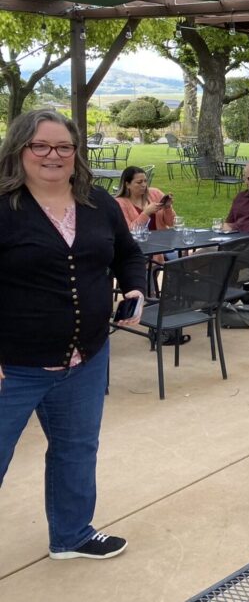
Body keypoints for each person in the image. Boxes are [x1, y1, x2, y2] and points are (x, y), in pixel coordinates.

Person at [0, 109, 147, 560]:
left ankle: (71, 535)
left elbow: (127, 254)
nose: (53, 155)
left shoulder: (97, 203)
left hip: (85, 359)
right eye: (40, 146)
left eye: (64, 146)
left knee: (76, 451)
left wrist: (136, 287)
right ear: (19, 150)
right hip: (14, 368)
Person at [114, 166, 176, 232]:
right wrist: (146, 213)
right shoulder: (120, 203)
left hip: (161, 239)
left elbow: (171, 223)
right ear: (127, 184)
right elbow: (128, 231)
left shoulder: (155, 193)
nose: (144, 185)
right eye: (139, 182)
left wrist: (168, 208)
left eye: (145, 181)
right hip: (137, 241)